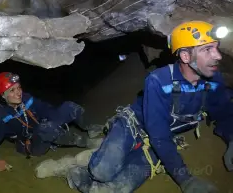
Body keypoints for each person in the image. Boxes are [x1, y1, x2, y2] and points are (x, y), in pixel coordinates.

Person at [35, 21, 233, 193]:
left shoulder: (214, 81)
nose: (217, 56)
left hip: (159, 145)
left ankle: (78, 170)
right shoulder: (158, 81)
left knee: (111, 190)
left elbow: (223, 113)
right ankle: (78, 162)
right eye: (207, 49)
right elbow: (159, 133)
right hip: (132, 127)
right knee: (101, 172)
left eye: (216, 47)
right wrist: (186, 179)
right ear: (186, 56)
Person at [0, 72, 103, 172]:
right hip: (30, 144)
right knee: (47, 128)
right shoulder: (0, 116)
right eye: (12, 91)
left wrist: (59, 118)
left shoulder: (27, 98)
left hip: (43, 127)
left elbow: (46, 109)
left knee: (69, 107)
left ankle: (93, 129)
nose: (18, 93)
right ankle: (87, 143)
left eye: (18, 88)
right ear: (3, 95)